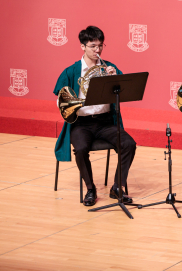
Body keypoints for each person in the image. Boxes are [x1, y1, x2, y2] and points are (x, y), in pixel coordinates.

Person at [53, 26, 137, 207]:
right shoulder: (71, 71)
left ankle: (117, 187)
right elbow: (60, 97)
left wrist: (116, 79)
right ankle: (90, 189)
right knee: (81, 149)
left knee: (129, 144)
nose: (97, 50)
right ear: (82, 46)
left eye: (100, 46)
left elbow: (124, 91)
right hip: (81, 124)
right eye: (93, 46)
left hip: (106, 122)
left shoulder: (108, 68)